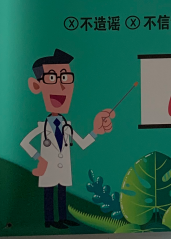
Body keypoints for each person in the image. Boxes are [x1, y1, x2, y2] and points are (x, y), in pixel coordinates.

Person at [20, 49, 115, 229]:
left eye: (65, 78)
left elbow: (82, 143)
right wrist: (39, 158)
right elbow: (24, 142)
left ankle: (62, 218)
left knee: (62, 193)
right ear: (36, 86)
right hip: (48, 168)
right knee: (49, 193)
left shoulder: (67, 125)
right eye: (52, 78)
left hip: (63, 169)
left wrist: (96, 131)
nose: (61, 86)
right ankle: (49, 220)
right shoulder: (41, 126)